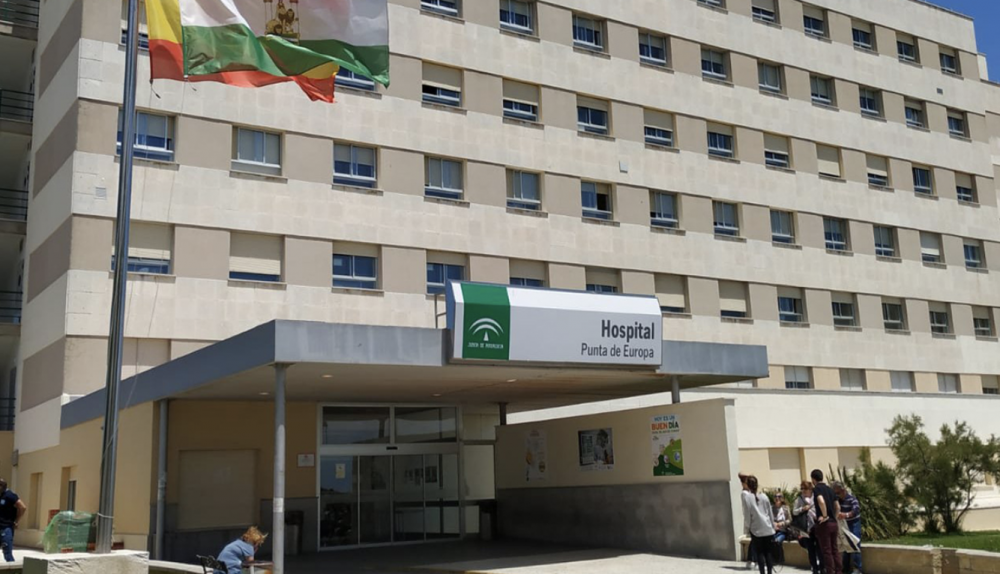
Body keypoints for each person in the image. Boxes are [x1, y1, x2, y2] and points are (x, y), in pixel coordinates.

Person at [742, 475, 776, 574]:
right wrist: (772, 526)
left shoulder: (747, 498)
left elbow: (747, 515)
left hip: (756, 529)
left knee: (760, 553)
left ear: (748, 485)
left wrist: (747, 528)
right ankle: (769, 572)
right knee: (768, 552)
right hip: (767, 528)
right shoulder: (764, 496)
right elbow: (770, 513)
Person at [811, 469, 842, 574]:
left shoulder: (817, 489)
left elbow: (821, 501)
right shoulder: (830, 489)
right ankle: (839, 571)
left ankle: (830, 571)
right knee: (835, 549)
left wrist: (825, 516)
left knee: (827, 551)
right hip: (833, 523)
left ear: (813, 479)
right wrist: (834, 517)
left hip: (825, 525)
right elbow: (837, 506)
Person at [794, 480, 822, 574]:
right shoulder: (799, 499)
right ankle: (814, 568)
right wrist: (802, 509)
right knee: (810, 549)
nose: (803, 491)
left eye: (805, 489)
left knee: (819, 548)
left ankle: (822, 567)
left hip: (816, 525)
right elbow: (794, 511)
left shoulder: (816, 497)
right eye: (802, 488)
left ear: (810, 489)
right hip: (806, 528)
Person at [834, 482, 863, 574]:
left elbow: (855, 510)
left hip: (853, 523)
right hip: (844, 525)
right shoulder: (838, 501)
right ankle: (845, 568)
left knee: (855, 544)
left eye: (838, 493)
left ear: (843, 490)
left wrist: (845, 515)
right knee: (845, 545)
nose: (837, 495)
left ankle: (858, 568)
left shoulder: (852, 499)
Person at [0, 479, 26, 563]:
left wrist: (16, 520)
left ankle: (12, 568)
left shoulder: (10, 495)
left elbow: (22, 507)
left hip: (6, 528)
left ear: (1, 486)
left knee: (7, 552)